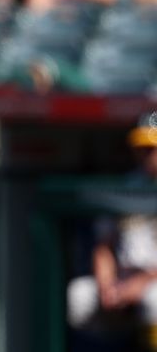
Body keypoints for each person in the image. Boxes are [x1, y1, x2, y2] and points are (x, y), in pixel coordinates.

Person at [66, 114, 157, 351]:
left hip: (151, 280)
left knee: (154, 301)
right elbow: (104, 244)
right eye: (143, 148)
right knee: (78, 299)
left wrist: (137, 285)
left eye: (153, 148)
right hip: (123, 277)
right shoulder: (127, 186)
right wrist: (107, 285)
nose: (147, 155)